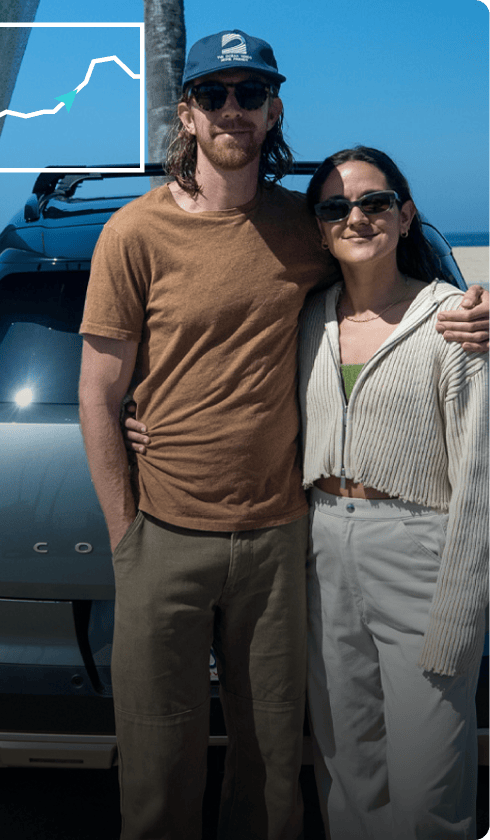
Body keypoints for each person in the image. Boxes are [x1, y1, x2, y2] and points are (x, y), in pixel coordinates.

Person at [79, 28, 490, 840]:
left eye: (251, 93)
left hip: (282, 539)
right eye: (215, 94)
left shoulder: (309, 228)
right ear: (187, 114)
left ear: (274, 112)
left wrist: (476, 303)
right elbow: (97, 394)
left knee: (275, 778)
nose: (234, 108)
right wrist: (127, 539)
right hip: (164, 535)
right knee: (159, 775)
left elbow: (391, 283)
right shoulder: (133, 234)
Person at [299, 146, 490, 840]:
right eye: (335, 207)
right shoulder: (304, 320)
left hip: (418, 548)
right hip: (319, 546)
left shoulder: (452, 321)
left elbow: (480, 479)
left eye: (375, 202)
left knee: (427, 789)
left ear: (405, 216)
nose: (357, 216)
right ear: (319, 228)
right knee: (348, 776)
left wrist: (461, 616)